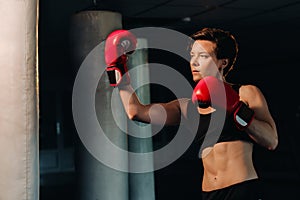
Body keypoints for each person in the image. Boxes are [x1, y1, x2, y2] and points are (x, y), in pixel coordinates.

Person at [104, 27, 278, 200]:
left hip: (242, 190)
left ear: (222, 62)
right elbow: (136, 112)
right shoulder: (187, 107)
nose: (194, 62)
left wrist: (236, 108)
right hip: (209, 193)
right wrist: (118, 72)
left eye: (202, 56)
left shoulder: (245, 93)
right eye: (192, 55)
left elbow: (271, 140)